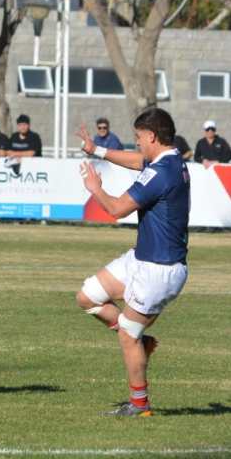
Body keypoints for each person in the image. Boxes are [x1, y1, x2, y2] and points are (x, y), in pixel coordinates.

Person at [75, 107, 189, 417]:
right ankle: (143, 341)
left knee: (127, 334)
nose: (136, 142)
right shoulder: (171, 160)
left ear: (151, 136)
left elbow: (116, 209)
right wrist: (96, 150)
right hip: (142, 258)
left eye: (138, 137)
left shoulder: (160, 173)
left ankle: (140, 405)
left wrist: (95, 189)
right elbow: (137, 160)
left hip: (159, 269)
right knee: (87, 296)